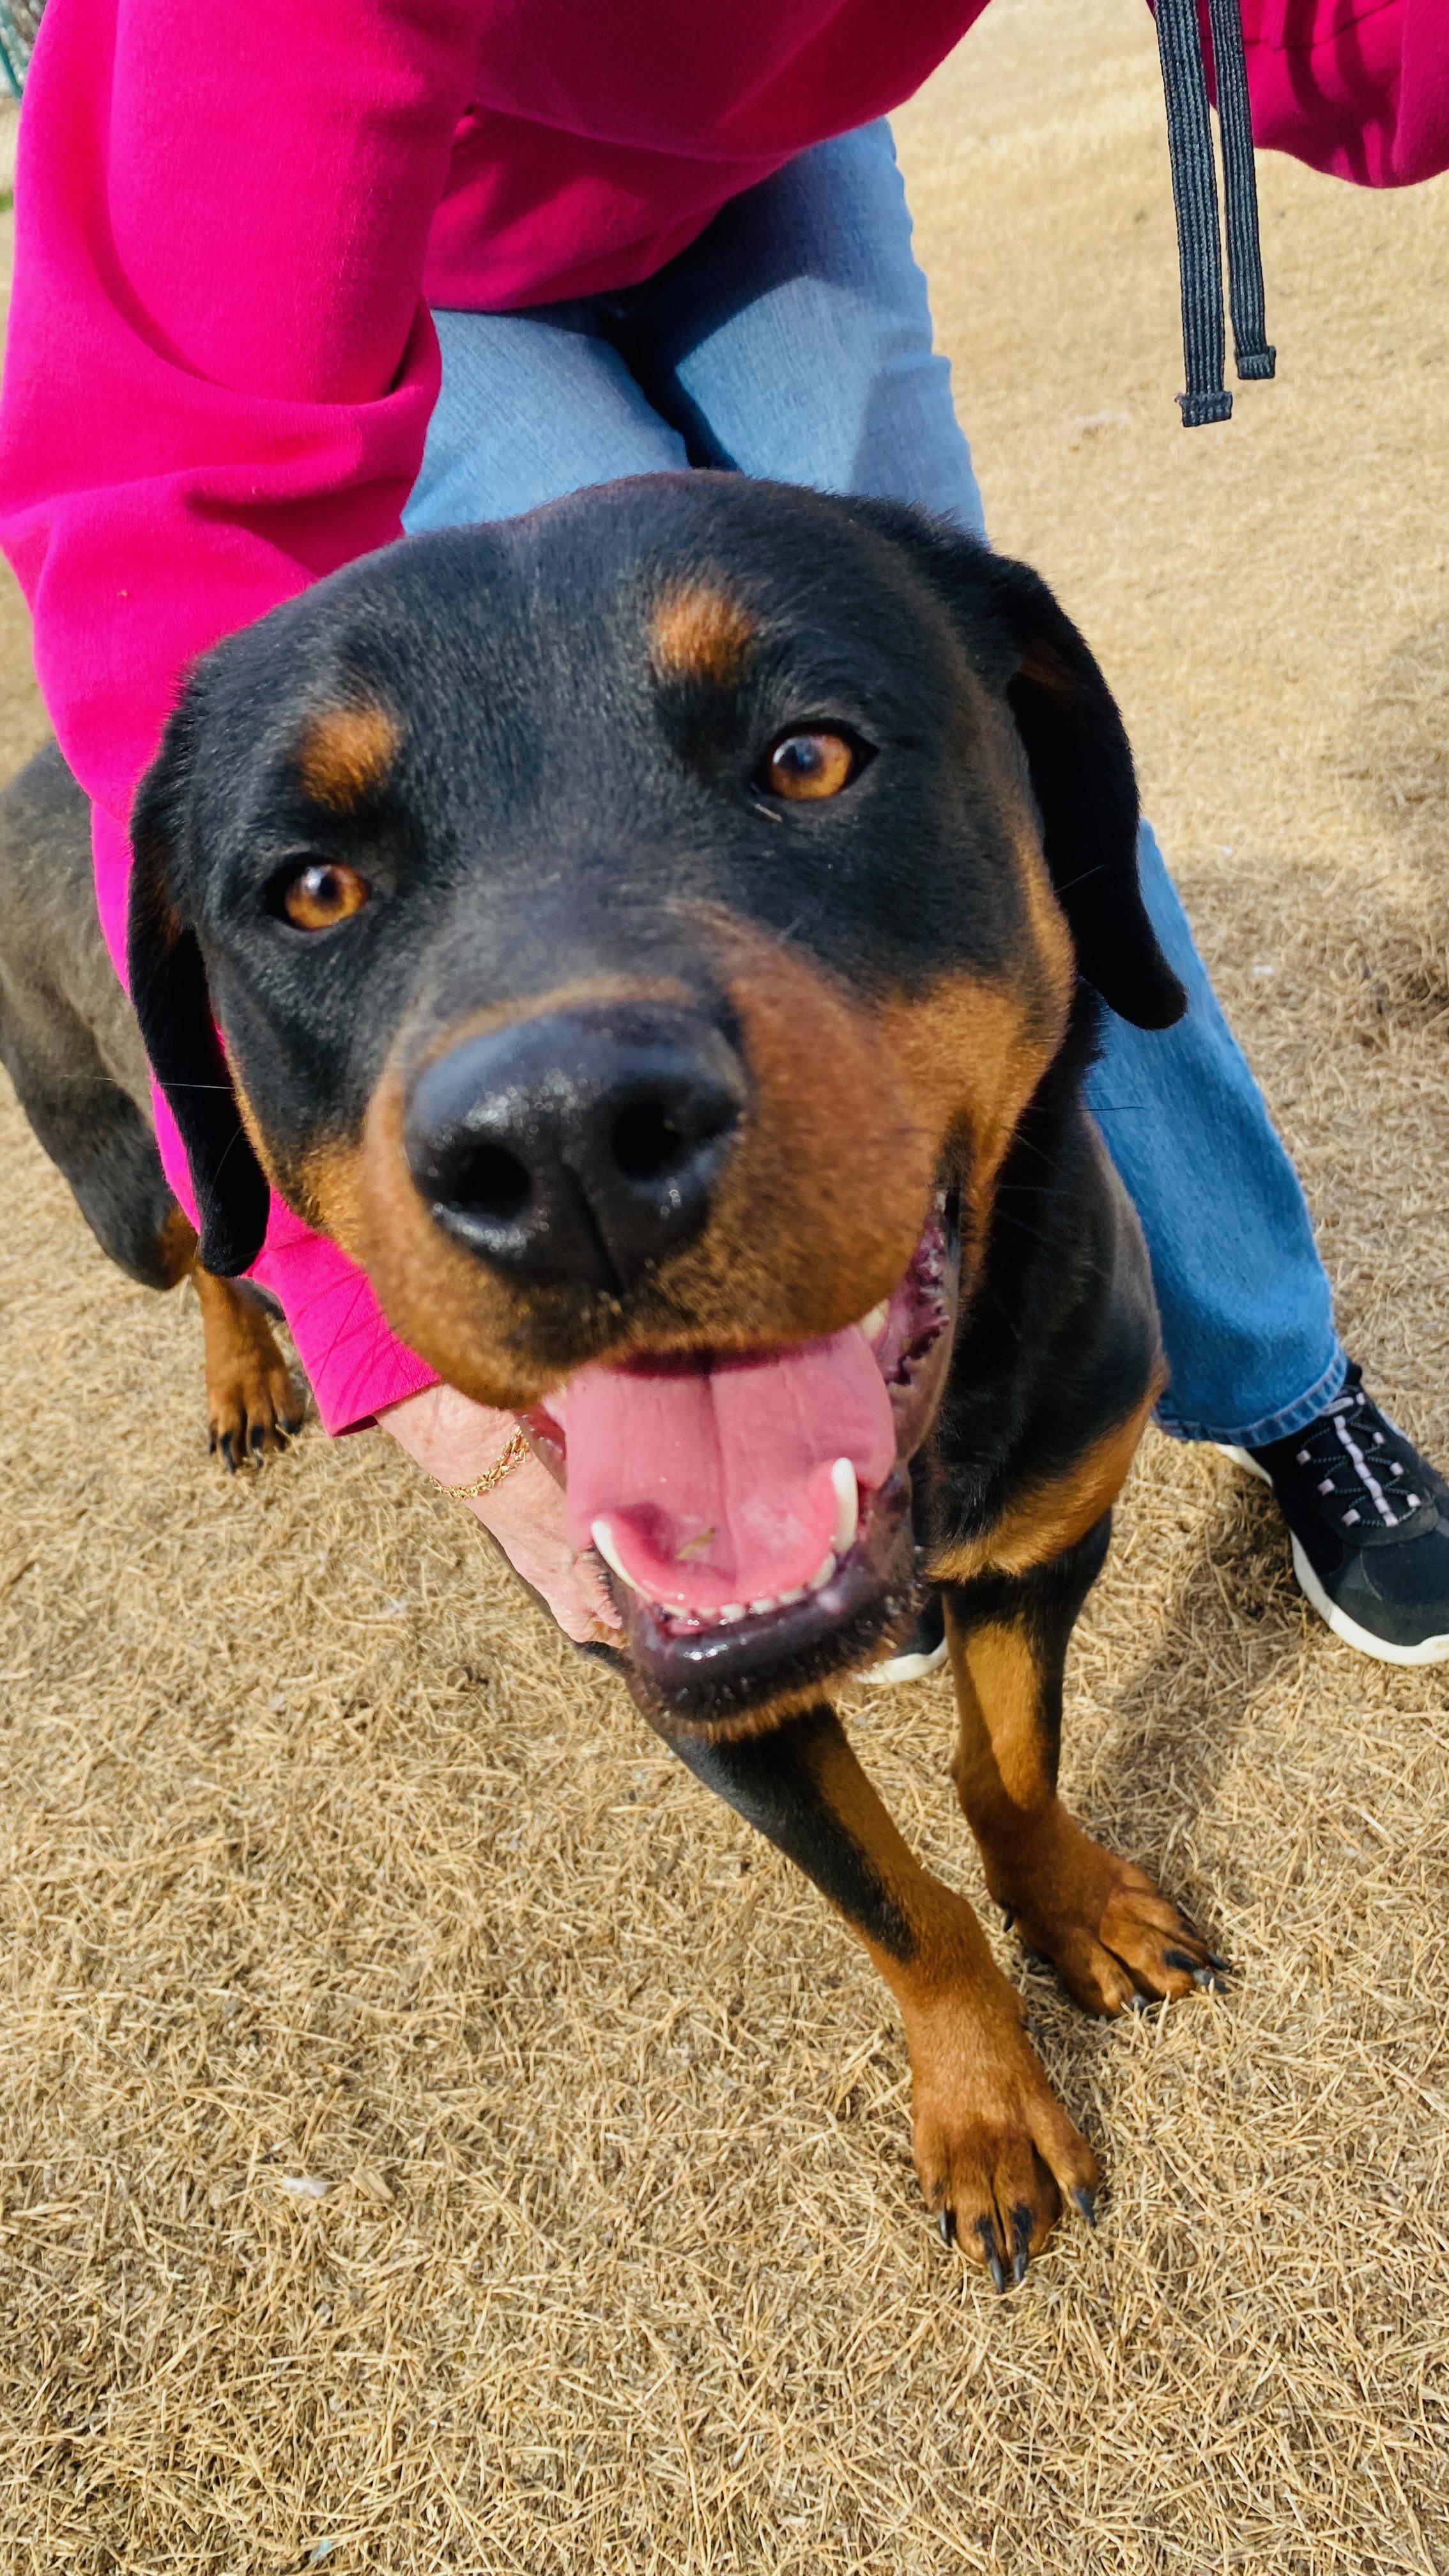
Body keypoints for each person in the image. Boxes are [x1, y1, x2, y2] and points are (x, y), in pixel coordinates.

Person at [1, 0, 1446, 1666]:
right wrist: (354, 1311)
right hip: (408, 246)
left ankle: (1278, 1383)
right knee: (599, 744)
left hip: (756, 159)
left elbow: (1337, 45)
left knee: (936, 755)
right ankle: (814, 1445)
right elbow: (177, 563)